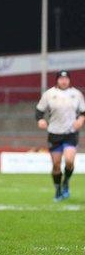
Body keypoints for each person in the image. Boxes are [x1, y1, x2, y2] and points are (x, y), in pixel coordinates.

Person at [35, 70, 85, 201]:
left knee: (69, 161)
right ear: (57, 80)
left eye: (66, 78)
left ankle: (66, 182)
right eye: (61, 78)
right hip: (54, 133)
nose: (64, 81)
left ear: (69, 80)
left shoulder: (77, 94)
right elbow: (39, 111)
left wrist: (80, 120)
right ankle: (57, 189)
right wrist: (40, 120)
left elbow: (83, 112)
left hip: (70, 133)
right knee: (56, 165)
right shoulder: (49, 94)